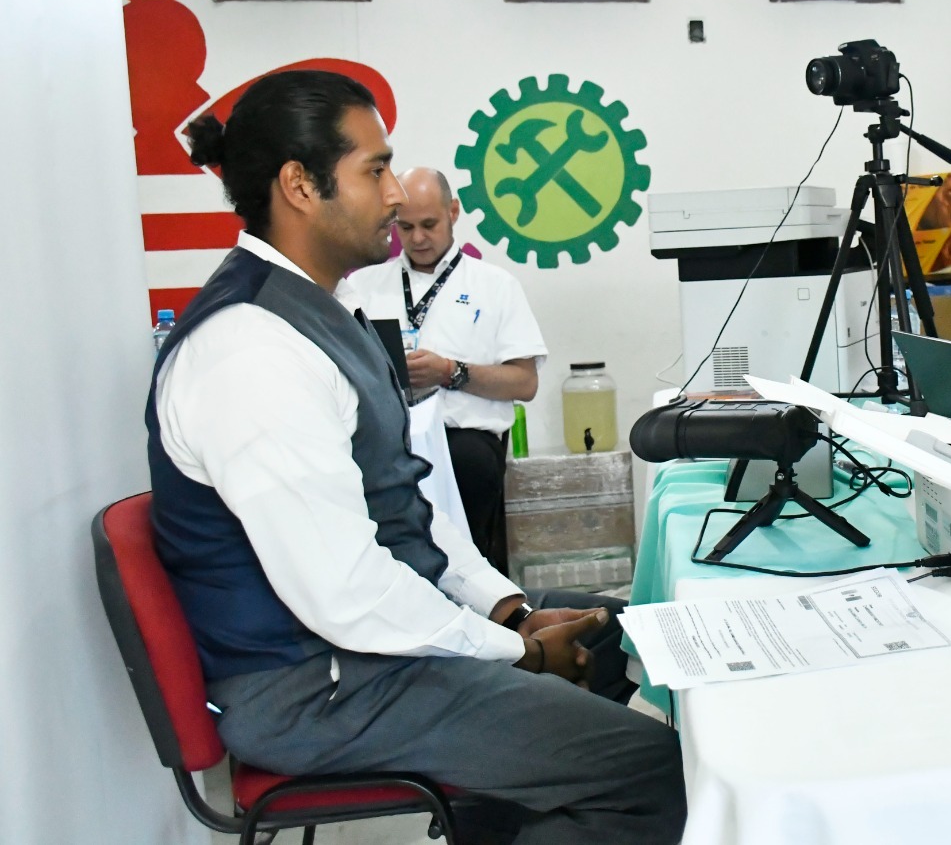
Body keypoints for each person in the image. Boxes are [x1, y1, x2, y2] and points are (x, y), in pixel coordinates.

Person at [147, 70, 685, 844]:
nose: (396, 194)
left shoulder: (320, 316)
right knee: (653, 768)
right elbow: (346, 595)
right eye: (375, 170)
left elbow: (414, 512)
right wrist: (520, 654)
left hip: (362, 662)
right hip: (316, 692)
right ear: (300, 186)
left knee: (614, 650)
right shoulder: (250, 351)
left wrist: (512, 613)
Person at [347, 167, 542, 572]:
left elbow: (525, 382)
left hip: (464, 443)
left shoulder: (495, 285)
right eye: (406, 226)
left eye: (429, 224)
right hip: (386, 439)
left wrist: (450, 372)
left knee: (466, 475)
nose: (418, 238)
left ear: (453, 211)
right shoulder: (362, 286)